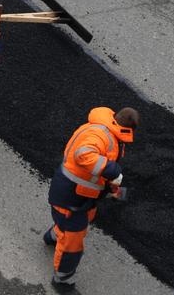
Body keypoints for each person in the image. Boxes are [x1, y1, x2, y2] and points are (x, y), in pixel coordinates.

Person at [44, 106, 139, 291]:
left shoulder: (109, 132)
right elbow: (83, 155)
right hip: (70, 197)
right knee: (72, 245)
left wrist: (112, 187)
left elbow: (96, 169)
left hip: (81, 197)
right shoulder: (101, 136)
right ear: (129, 129)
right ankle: (62, 282)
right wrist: (111, 170)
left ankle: (53, 236)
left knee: (83, 219)